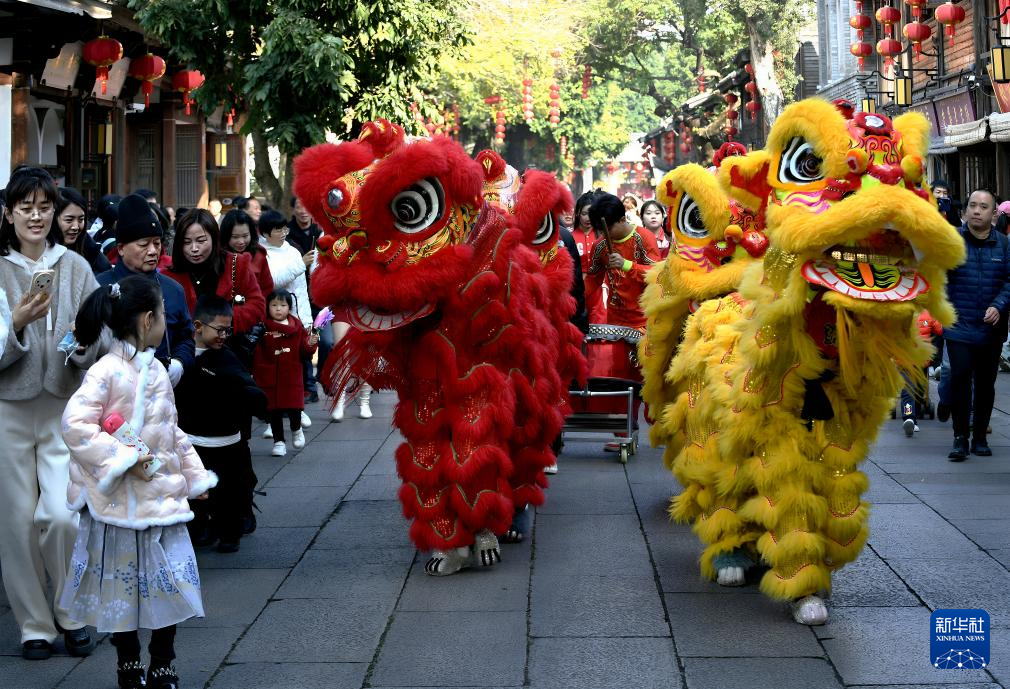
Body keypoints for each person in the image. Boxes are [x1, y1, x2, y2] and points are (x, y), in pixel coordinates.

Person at [61, 276, 216, 689]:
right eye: (163, 315)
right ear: (148, 320)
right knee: (122, 591)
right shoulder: (105, 370)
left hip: (160, 496)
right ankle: (128, 664)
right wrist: (121, 458)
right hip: (118, 504)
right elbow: (75, 425)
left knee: (169, 585)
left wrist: (194, 475)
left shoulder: (156, 368)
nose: (165, 322)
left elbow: (172, 430)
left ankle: (163, 662)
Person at [0, 166, 99, 660]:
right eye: (26, 208)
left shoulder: (75, 267)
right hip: (8, 408)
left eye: (44, 207)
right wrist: (16, 324)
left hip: (63, 405)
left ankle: (71, 611)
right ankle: (33, 625)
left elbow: (99, 334)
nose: (36, 217)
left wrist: (81, 346)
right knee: (16, 521)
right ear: (9, 214)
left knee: (61, 515)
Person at [175, 295, 266, 553]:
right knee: (196, 490)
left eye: (228, 330)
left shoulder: (228, 358)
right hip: (192, 440)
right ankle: (202, 527)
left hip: (228, 442)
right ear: (198, 326)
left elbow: (251, 391)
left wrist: (251, 398)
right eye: (219, 329)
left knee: (230, 492)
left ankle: (229, 531)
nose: (224, 335)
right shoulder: (181, 357)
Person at [97, 194, 195, 386]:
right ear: (121, 248)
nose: (152, 251)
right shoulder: (100, 286)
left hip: (164, 387)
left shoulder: (173, 289)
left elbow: (186, 337)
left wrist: (179, 363)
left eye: (157, 243)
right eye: (143, 244)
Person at [944, 189, 1010, 460]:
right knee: (960, 377)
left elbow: (1009, 281)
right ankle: (960, 437)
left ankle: (980, 436)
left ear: (994, 214)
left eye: (983, 207)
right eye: (972, 205)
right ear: (965, 210)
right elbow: (937, 275)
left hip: (990, 327)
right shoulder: (951, 241)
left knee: (985, 383)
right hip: (958, 324)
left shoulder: (1004, 244)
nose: (976, 211)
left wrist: (999, 305)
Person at [162, 208, 265, 339]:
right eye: (187, 242)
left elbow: (257, 305)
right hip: (184, 347)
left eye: (201, 241)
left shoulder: (236, 264)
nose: (194, 248)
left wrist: (224, 321)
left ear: (214, 238)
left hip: (228, 343)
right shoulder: (168, 276)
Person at [253, 289, 318, 456]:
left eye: (283, 305)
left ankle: (296, 430)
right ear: (267, 307)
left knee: (294, 408)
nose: (278, 309)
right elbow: (256, 350)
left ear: (289, 307)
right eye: (274, 305)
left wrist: (310, 343)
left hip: (291, 375)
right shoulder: (262, 327)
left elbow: (305, 351)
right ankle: (279, 442)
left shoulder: (297, 327)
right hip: (270, 376)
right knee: (273, 412)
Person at [585, 192, 661, 331]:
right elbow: (592, 280)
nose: (604, 234)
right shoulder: (600, 245)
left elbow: (657, 274)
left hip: (645, 318)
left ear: (622, 219)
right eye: (601, 231)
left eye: (608, 229)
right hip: (615, 320)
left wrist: (626, 265)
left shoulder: (644, 237)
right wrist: (574, 299)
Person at [287, 197, 327, 403]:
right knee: (303, 341)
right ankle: (309, 387)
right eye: (298, 206)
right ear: (293, 209)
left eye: (306, 207)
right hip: (297, 297)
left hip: (320, 298)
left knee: (326, 341)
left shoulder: (321, 232)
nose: (303, 211)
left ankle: (323, 377)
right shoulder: (286, 234)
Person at [220, 208, 273, 310]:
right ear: (226, 236)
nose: (241, 241)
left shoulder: (259, 255)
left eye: (245, 236)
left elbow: (267, 288)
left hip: (253, 312)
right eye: (235, 237)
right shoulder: (218, 256)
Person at [899, 310, 942, 437]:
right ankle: (910, 418)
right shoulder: (928, 313)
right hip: (918, 361)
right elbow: (941, 330)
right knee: (916, 391)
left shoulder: (900, 312)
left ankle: (911, 418)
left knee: (910, 391)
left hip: (906, 360)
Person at [55, 187, 111, 275]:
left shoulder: (92, 253)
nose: (76, 227)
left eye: (81, 219)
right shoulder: (39, 253)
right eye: (69, 220)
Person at [571, 191, 605, 323]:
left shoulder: (603, 237)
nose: (588, 218)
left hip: (599, 290)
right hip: (577, 290)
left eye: (591, 214)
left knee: (599, 324)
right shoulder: (570, 237)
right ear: (578, 213)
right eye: (584, 213)